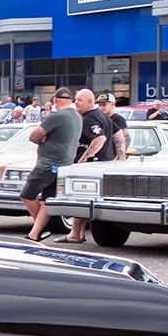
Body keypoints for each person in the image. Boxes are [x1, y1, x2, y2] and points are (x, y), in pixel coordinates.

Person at [20, 87, 80, 242]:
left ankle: (42, 227)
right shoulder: (77, 116)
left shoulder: (57, 116)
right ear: (71, 100)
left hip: (48, 164)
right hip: (64, 165)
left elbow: (33, 136)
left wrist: (41, 138)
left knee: (27, 194)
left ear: (56, 100)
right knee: (46, 200)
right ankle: (35, 233)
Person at [62, 88, 115, 244]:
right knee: (83, 200)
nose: (76, 102)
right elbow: (119, 135)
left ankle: (75, 234)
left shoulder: (89, 118)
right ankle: (77, 234)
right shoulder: (103, 117)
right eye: (75, 99)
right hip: (104, 163)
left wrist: (84, 159)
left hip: (91, 166)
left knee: (79, 198)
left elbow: (100, 138)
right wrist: (120, 156)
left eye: (79, 100)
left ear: (90, 102)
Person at [97, 93, 128, 160]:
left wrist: (120, 156)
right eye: (100, 105)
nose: (101, 108)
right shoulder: (101, 120)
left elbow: (126, 137)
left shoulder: (118, 119)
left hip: (113, 158)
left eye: (104, 105)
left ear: (112, 104)